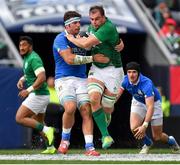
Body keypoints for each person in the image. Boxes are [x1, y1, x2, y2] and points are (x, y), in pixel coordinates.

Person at [52, 10, 114, 156]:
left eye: (79, 22)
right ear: (67, 26)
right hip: (64, 79)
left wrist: (119, 43)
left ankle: (90, 147)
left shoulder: (84, 37)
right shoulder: (60, 38)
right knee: (71, 107)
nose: (78, 25)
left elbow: (104, 38)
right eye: (75, 23)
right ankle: (64, 141)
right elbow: (69, 59)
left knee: (87, 109)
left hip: (81, 80)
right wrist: (93, 58)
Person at [66, 5, 124, 149]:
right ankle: (106, 135)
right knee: (93, 99)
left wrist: (71, 38)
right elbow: (87, 45)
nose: (94, 22)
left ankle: (106, 115)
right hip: (97, 68)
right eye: (92, 19)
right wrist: (81, 40)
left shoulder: (108, 28)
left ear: (104, 17)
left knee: (107, 107)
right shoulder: (92, 28)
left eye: (97, 19)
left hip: (113, 70)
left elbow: (86, 43)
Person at [117, 61, 180, 154]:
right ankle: (147, 143)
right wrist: (107, 105)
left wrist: (144, 125)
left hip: (154, 103)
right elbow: (116, 96)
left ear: (138, 73)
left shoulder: (146, 83)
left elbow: (150, 107)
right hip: (138, 101)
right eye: (129, 72)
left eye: (134, 72)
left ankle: (171, 141)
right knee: (134, 128)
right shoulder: (124, 80)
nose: (131, 75)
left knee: (157, 136)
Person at [15, 36, 55, 154]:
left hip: (39, 95)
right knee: (39, 123)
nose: (21, 48)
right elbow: (30, 73)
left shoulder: (33, 58)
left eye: (24, 45)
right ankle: (50, 147)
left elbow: (42, 77)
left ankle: (48, 130)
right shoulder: (28, 58)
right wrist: (22, 79)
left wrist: (28, 90)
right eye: (20, 45)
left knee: (20, 118)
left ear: (30, 46)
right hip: (41, 95)